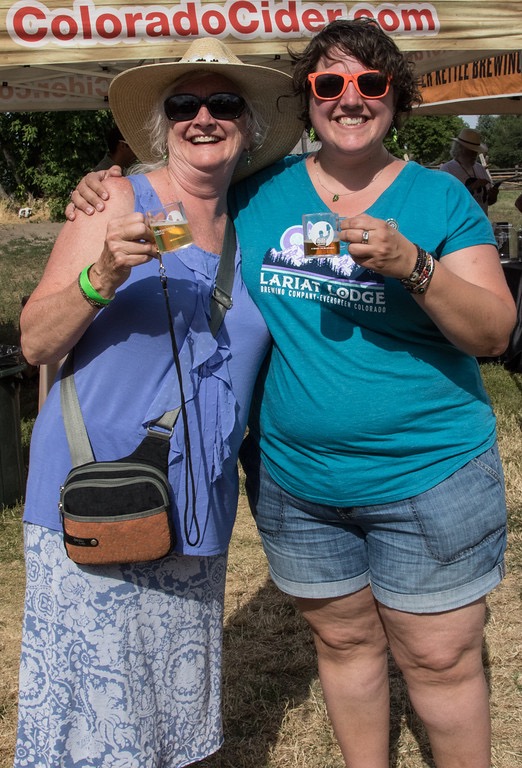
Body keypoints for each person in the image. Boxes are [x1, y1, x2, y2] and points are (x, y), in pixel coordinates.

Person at [68, 19, 516, 768]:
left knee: (439, 660)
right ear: (307, 99)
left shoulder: (438, 198)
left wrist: (414, 266)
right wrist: (106, 184)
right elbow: (176, 198)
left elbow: (494, 333)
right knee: (342, 643)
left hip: (429, 473)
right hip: (298, 483)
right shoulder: (259, 195)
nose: (350, 98)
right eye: (329, 83)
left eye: (370, 83)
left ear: (396, 97)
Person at [15, 37, 302, 768]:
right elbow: (37, 341)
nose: (203, 118)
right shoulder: (115, 199)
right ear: (162, 125)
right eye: (184, 106)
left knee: (170, 714)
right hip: (97, 490)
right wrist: (101, 275)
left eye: (223, 103)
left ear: (249, 126)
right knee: (93, 721)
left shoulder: (254, 221)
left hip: (193, 504)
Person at [440, 127, 499, 214]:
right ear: (460, 149)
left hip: (481, 221)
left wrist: (493, 196)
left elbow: (487, 201)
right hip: (460, 222)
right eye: (471, 150)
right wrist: (472, 187)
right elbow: (446, 200)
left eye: (476, 151)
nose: (475, 154)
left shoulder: (480, 169)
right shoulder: (447, 170)